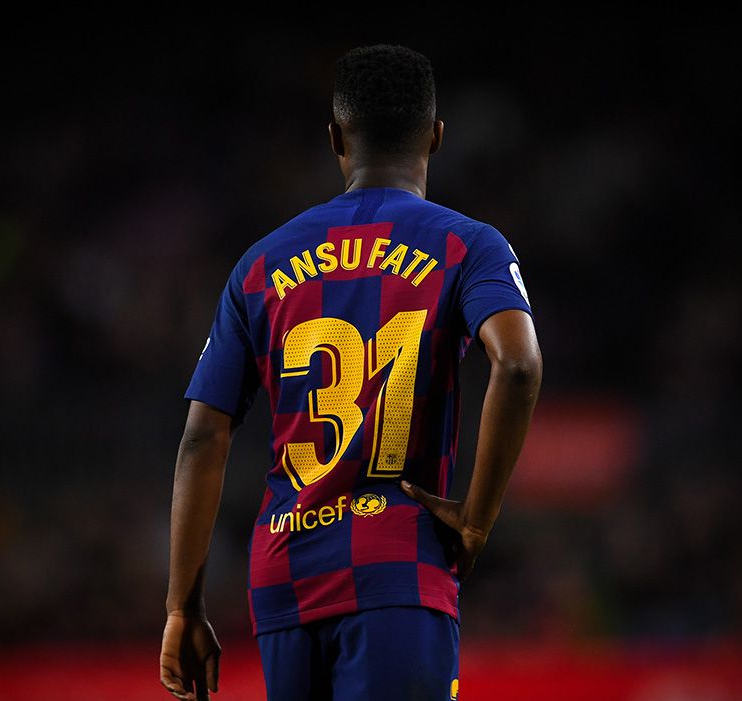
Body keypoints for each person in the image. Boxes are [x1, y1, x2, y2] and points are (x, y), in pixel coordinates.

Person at [160, 44, 542, 701]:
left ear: (336, 137)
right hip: (398, 567)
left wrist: (180, 608)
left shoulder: (259, 264)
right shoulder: (469, 245)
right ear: (436, 135)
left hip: (285, 577)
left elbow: (202, 437)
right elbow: (518, 363)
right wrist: (477, 518)